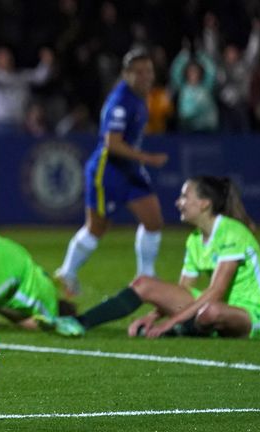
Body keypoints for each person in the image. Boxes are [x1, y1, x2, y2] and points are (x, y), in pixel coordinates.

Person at [48, 176, 260, 339]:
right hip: (214, 307)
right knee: (144, 284)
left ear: (205, 203)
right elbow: (182, 291)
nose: (179, 202)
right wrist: (153, 316)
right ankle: (79, 323)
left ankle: (186, 328)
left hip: (254, 314)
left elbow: (216, 291)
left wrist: (170, 323)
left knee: (211, 311)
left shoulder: (231, 233)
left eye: (185, 197)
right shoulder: (195, 239)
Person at [55, 48, 169, 296]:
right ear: (126, 74)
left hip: (129, 169)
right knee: (96, 228)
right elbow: (112, 144)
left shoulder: (141, 97)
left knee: (153, 220)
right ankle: (66, 273)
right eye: (138, 72)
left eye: (148, 71)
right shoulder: (120, 101)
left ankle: (146, 276)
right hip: (107, 171)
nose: (145, 76)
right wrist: (146, 158)